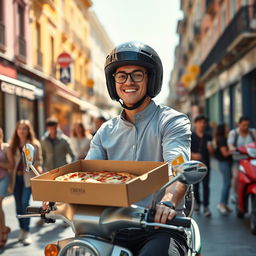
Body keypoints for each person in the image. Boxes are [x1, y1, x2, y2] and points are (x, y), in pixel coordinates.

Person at [86, 41, 191, 256]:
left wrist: (168, 202)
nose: (128, 82)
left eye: (137, 75)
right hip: (112, 225)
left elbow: (179, 170)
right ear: (113, 81)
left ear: (151, 80)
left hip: (162, 226)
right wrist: (58, 197)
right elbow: (87, 175)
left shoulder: (171, 121)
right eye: (121, 76)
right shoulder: (105, 131)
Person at [9, 120, 43, 246]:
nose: (21, 131)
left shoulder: (34, 144)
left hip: (28, 179)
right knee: (18, 206)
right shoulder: (12, 145)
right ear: (16, 131)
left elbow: (39, 161)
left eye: (24, 128)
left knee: (25, 203)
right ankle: (22, 230)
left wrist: (32, 165)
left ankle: (27, 231)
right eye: (19, 128)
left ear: (29, 131)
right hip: (15, 179)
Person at [227, 116, 256, 202]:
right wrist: (232, 148)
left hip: (251, 160)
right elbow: (230, 144)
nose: (245, 127)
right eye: (243, 125)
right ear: (239, 124)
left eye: (247, 125)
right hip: (238, 160)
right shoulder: (233, 133)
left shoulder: (253, 132)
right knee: (236, 176)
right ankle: (234, 194)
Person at [191, 114, 214, 217]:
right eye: (200, 122)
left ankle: (206, 206)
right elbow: (186, 151)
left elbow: (212, 152)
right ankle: (197, 203)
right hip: (194, 165)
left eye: (204, 123)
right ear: (195, 123)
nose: (202, 124)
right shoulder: (191, 136)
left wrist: (211, 149)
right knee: (195, 185)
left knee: (206, 186)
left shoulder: (208, 136)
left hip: (206, 164)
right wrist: (193, 155)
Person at [214, 124, 233, 215]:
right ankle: (221, 204)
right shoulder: (221, 139)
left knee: (228, 183)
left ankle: (225, 204)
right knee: (227, 183)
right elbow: (225, 153)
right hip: (223, 162)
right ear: (223, 129)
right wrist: (233, 150)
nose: (228, 128)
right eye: (226, 127)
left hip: (227, 162)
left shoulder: (226, 138)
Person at [0, 128, 13, 247]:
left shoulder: (6, 147)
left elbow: (11, 164)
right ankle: (3, 230)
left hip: (3, 179)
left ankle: (2, 232)